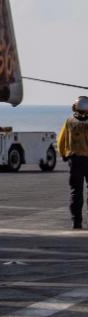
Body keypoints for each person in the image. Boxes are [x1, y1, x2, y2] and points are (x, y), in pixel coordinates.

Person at [57, 95, 88, 230]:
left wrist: (63, 154)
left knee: (76, 192)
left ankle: (76, 222)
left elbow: (61, 140)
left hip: (75, 161)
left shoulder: (69, 121)